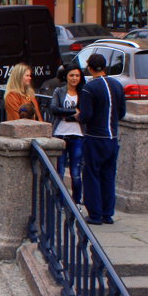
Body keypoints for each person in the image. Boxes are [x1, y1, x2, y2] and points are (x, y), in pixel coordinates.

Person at [78, 52, 127, 225]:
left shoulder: (89, 88)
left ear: (90, 68)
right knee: (108, 175)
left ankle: (95, 214)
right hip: (112, 137)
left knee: (91, 175)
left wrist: (78, 116)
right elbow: (122, 112)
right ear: (104, 67)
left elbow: (86, 116)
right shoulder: (117, 85)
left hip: (94, 137)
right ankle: (107, 213)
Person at [49, 64, 85, 203]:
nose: (74, 78)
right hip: (60, 133)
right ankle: (59, 201)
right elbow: (54, 108)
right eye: (71, 75)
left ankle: (76, 202)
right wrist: (72, 113)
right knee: (60, 171)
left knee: (76, 173)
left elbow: (84, 113)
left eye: (77, 75)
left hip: (78, 135)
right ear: (66, 76)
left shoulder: (83, 92)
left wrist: (68, 115)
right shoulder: (59, 91)